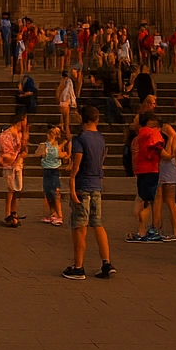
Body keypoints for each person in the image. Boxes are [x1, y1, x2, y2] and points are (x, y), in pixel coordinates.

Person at [62, 106, 114, 280]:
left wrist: (71, 185)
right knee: (97, 223)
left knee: (79, 227)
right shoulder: (100, 139)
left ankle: (78, 266)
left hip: (83, 185)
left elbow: (76, 165)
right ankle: (106, 261)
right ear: (97, 120)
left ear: (81, 119)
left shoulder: (81, 139)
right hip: (96, 185)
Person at [127, 112, 165, 242]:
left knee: (143, 198)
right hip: (151, 169)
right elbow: (161, 151)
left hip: (140, 170)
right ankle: (143, 231)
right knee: (148, 201)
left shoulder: (136, 138)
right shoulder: (152, 134)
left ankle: (141, 229)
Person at [153, 116, 176, 242]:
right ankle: (169, 229)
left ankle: (175, 230)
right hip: (169, 172)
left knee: (171, 201)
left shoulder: (173, 139)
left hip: (169, 172)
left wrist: (170, 138)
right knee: (168, 201)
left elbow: (169, 155)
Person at [0, 115, 28, 227]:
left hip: (17, 164)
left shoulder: (19, 134)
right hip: (9, 165)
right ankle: (8, 213)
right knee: (11, 189)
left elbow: (24, 150)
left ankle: (14, 211)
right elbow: (5, 153)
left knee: (17, 189)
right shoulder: (6, 136)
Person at [36, 127, 66, 224]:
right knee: (51, 192)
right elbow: (62, 155)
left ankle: (58, 214)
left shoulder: (48, 146)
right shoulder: (53, 146)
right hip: (51, 171)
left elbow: (37, 154)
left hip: (50, 171)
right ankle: (54, 214)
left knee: (53, 193)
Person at [57, 70, 78, 138]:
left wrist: (58, 101)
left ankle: (62, 129)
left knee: (63, 117)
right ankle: (67, 133)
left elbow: (57, 92)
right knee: (66, 119)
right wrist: (73, 102)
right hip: (65, 101)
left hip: (62, 102)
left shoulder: (62, 82)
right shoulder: (67, 82)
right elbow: (70, 92)